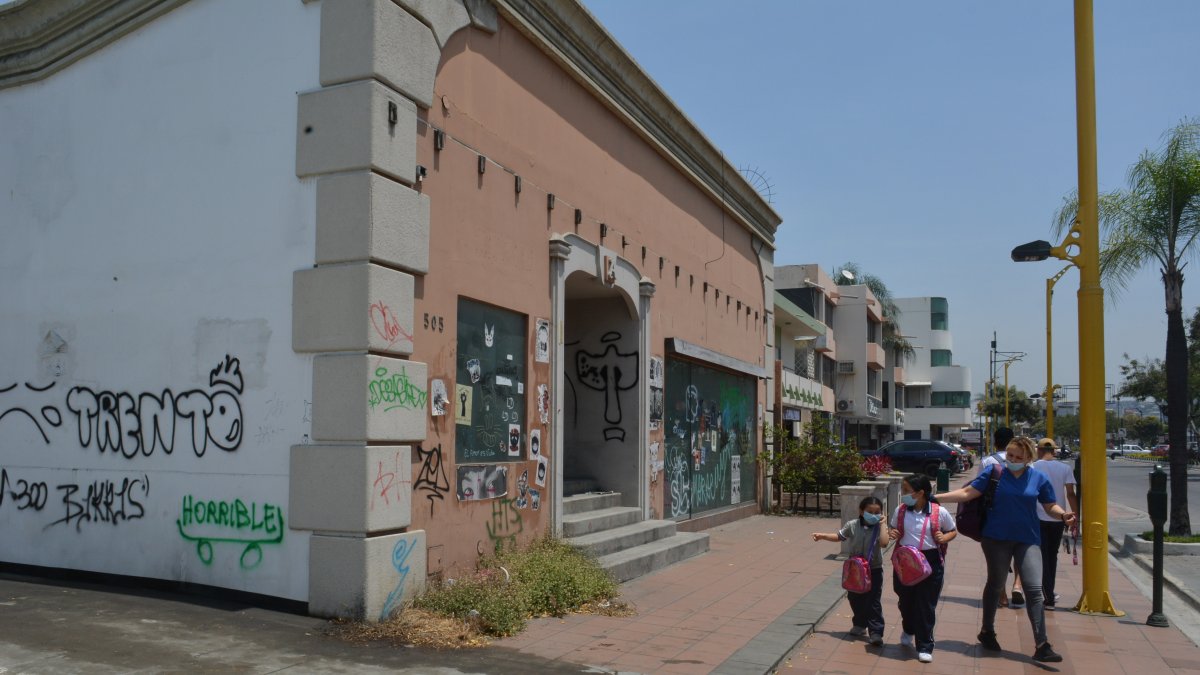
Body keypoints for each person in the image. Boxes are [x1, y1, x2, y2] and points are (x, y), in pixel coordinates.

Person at [935, 436, 1077, 663]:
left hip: (1028, 539)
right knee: (996, 583)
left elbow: (1049, 505)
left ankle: (1042, 644)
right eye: (1010, 455)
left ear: (1029, 458)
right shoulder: (995, 473)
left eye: (1018, 457)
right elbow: (968, 493)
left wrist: (1063, 515)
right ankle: (987, 631)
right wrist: (935, 498)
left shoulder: (1038, 478)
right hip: (996, 538)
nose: (1012, 460)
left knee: (1033, 588)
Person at [888, 474, 957, 663]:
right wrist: (892, 532)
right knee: (905, 600)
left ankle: (925, 645)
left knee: (926, 605)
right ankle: (908, 628)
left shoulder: (938, 512)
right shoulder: (900, 511)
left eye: (906, 490)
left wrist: (945, 537)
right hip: (905, 561)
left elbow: (952, 531)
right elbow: (892, 529)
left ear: (920, 493)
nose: (903, 494)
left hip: (930, 562)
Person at [812, 497, 890, 646]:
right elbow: (840, 536)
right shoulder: (853, 525)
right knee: (854, 598)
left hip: (873, 570)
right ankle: (860, 624)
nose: (873, 514)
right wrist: (823, 536)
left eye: (877, 512)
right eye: (869, 511)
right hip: (855, 570)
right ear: (861, 511)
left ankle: (876, 632)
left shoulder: (880, 528)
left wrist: (883, 524)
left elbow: (884, 543)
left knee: (873, 601)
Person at [978, 426, 1024, 607]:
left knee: (998, 556)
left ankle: (1002, 594)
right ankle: (1017, 586)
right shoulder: (1026, 461)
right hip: (1021, 515)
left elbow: (978, 488)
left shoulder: (988, 461)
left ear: (995, 441)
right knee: (1020, 552)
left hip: (994, 515)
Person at [1033, 437, 1079, 609]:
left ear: (1038, 450)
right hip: (1059, 517)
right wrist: (1075, 518)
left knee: (1042, 557)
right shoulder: (1065, 468)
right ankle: (1049, 592)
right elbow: (1070, 494)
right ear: (1054, 451)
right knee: (1052, 556)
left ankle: (1048, 595)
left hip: (1038, 517)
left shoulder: (1033, 467)